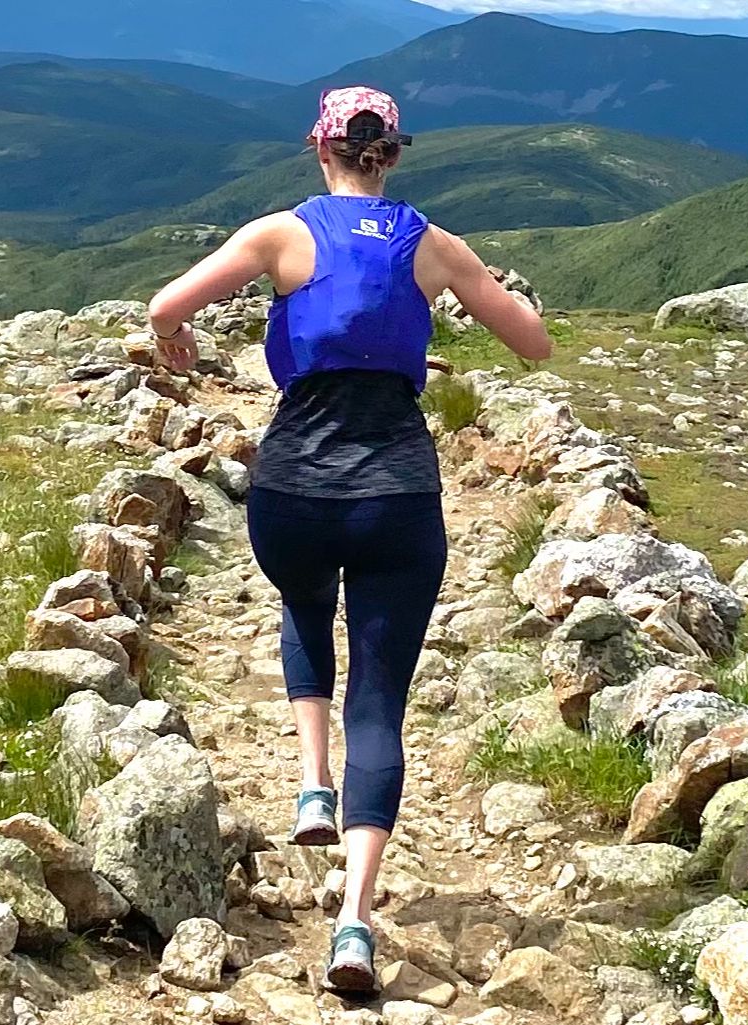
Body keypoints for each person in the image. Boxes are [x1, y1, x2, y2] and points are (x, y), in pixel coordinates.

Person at [145, 86, 553, 994]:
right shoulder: (434, 244)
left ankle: (310, 781)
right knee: (382, 697)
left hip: (291, 488)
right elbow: (534, 345)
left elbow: (166, 305)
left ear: (317, 149)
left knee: (302, 598)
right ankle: (355, 924)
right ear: (393, 155)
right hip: (399, 495)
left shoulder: (279, 235)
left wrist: (175, 344)